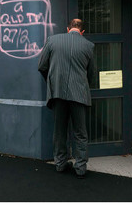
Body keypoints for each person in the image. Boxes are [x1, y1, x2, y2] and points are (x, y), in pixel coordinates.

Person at [38, 18, 95, 178]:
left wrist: (52, 81)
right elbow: (91, 74)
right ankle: (81, 167)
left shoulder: (53, 40)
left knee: (59, 131)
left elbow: (41, 66)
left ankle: (60, 164)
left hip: (58, 93)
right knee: (80, 132)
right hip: (79, 94)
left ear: (68, 28)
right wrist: (83, 87)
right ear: (82, 32)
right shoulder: (88, 45)